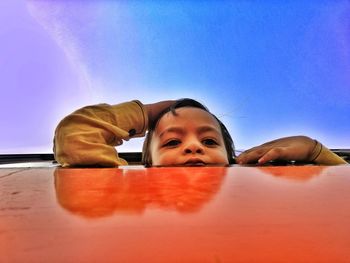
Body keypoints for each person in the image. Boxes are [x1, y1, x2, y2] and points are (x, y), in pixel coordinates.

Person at [53, 99, 347, 167]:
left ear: (230, 158)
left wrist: (314, 150)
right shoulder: (123, 181)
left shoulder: (253, 176)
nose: (194, 147)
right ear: (149, 162)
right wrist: (153, 112)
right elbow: (74, 133)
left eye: (208, 140)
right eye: (171, 141)